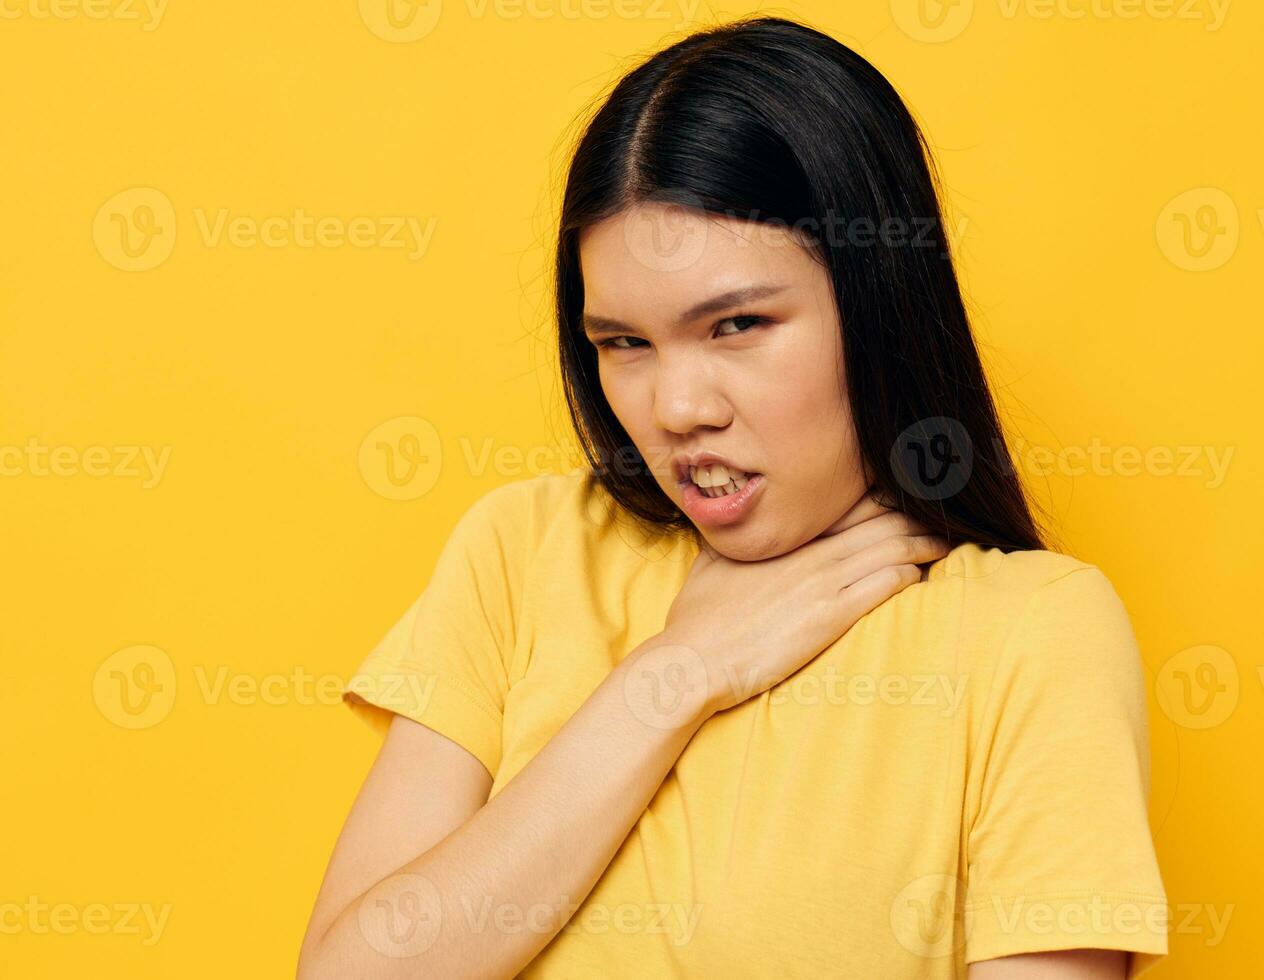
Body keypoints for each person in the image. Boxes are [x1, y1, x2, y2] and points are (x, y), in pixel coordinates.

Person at [297, 16, 1168, 979]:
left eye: (738, 324)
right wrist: (671, 677)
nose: (675, 408)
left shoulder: (1031, 632)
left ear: (877, 302)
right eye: (623, 342)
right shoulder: (524, 548)